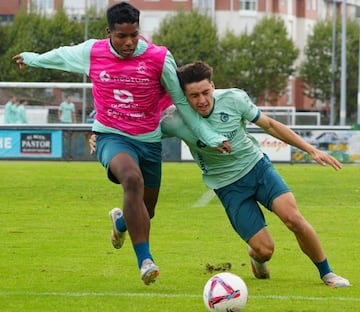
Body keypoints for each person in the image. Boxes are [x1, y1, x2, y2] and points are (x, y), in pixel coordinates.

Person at [12, 2, 230, 285]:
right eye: (121, 36)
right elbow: (61, 56)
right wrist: (32, 58)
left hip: (149, 141)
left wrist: (210, 136)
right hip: (110, 135)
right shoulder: (93, 51)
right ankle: (146, 261)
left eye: (134, 35)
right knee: (131, 178)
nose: (128, 43)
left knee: (146, 210)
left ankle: (121, 223)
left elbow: (180, 101)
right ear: (108, 33)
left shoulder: (158, 58)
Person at [90, 61, 350, 287]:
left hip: (258, 168)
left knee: (293, 218)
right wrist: (99, 135)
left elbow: (269, 125)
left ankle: (327, 273)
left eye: (205, 92)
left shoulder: (234, 99)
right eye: (193, 96)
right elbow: (129, 122)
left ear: (213, 86)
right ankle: (255, 258)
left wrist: (310, 149)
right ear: (183, 96)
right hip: (228, 187)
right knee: (265, 250)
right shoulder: (173, 119)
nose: (202, 100)